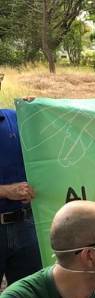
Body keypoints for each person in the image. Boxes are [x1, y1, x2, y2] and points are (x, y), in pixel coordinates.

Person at [0, 108, 42, 287]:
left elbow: (44, 160)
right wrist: (5, 191)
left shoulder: (17, 117)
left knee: (29, 297)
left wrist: (39, 109)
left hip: (26, 226)